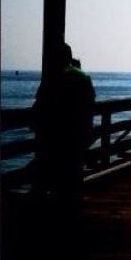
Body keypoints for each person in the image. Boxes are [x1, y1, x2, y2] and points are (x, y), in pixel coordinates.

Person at [31, 43, 96, 207]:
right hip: (76, 134)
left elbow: (39, 104)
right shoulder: (84, 77)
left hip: (52, 134)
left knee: (47, 172)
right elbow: (89, 106)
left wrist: (35, 124)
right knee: (73, 173)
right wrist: (88, 131)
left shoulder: (51, 77)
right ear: (70, 56)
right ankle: (71, 208)